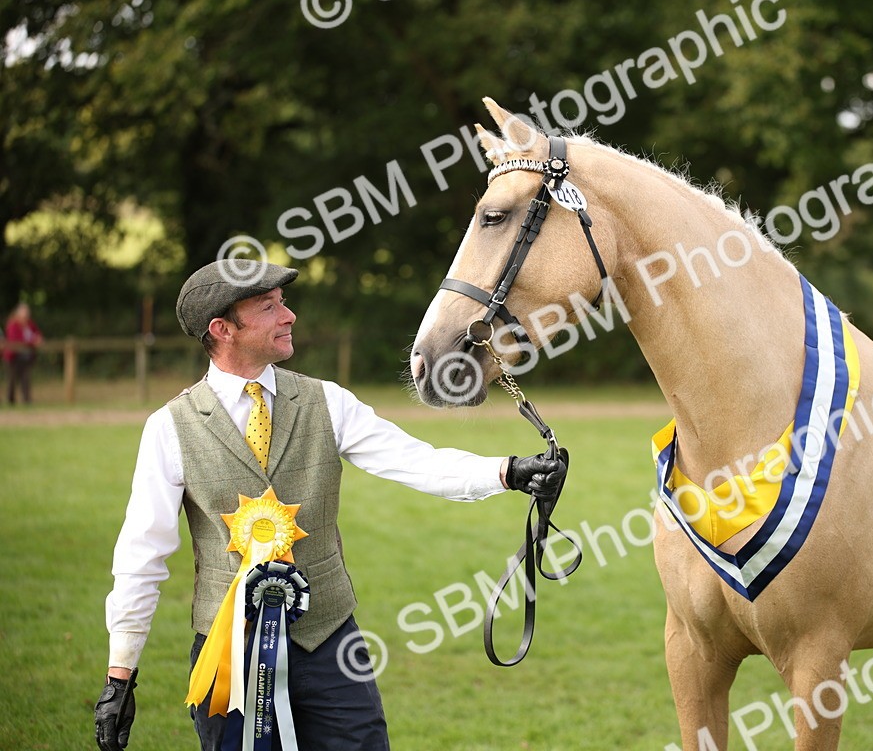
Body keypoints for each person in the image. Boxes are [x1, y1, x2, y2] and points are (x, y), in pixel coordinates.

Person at [94, 261, 566, 751]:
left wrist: (508, 471)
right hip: (227, 655)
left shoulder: (328, 401)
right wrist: (119, 677)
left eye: (283, 303)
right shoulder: (169, 428)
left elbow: (416, 461)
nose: (289, 315)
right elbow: (141, 556)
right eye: (268, 307)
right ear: (222, 329)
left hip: (333, 646)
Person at [4, 302, 43, 404]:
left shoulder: (30, 324)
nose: (26, 315)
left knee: (26, 378)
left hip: (25, 356)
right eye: (24, 313)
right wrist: (32, 342)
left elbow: (37, 333)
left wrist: (38, 339)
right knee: (12, 379)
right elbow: (16, 341)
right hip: (13, 356)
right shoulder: (13, 325)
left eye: (27, 313)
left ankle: (27, 399)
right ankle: (10, 400)